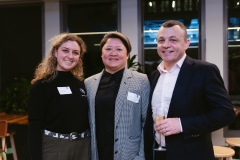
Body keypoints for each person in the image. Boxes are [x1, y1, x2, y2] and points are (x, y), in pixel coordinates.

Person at [144, 20, 236, 160]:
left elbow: (226, 113)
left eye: (173, 40)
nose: (166, 45)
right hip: (158, 154)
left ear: (186, 43)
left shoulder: (204, 70)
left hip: (192, 154)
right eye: (161, 40)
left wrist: (181, 124)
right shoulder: (154, 76)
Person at [84, 32, 150, 160]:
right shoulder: (89, 83)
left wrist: (141, 156)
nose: (113, 53)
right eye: (108, 49)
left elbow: (146, 123)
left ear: (127, 55)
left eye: (119, 49)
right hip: (98, 152)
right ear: (102, 53)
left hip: (129, 154)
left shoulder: (141, 80)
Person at [28, 33, 90, 160]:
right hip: (55, 147)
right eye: (65, 51)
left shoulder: (82, 84)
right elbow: (34, 126)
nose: (70, 56)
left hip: (83, 147)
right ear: (55, 52)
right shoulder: (42, 86)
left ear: (79, 57)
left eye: (75, 52)